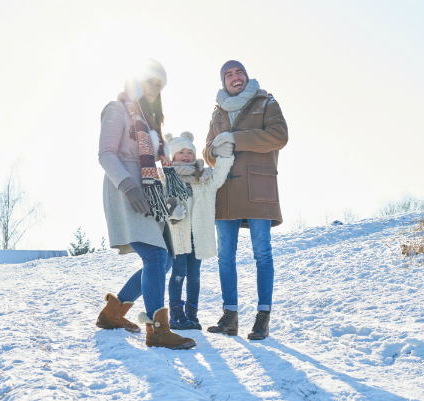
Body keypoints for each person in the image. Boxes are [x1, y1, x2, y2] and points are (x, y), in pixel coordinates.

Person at [96, 59, 195, 350]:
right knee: (155, 256)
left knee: (162, 262)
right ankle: (158, 330)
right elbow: (105, 154)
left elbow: (152, 169)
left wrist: (167, 198)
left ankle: (112, 314)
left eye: (160, 84)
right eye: (152, 80)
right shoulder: (116, 110)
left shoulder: (150, 124)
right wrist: (128, 187)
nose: (155, 87)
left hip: (148, 195)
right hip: (125, 191)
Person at [203, 60, 288, 340]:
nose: (234, 77)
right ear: (223, 82)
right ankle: (230, 317)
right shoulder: (216, 112)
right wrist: (216, 150)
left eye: (238, 72)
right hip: (225, 190)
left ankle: (262, 318)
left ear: (246, 77)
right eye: (228, 75)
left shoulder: (265, 101)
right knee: (225, 256)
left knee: (262, 254)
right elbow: (207, 152)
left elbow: (279, 136)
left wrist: (236, 139)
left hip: (257, 186)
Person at [164, 132, 234, 330]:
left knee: (194, 274)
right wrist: (170, 213)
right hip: (178, 234)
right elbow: (159, 202)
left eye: (189, 152)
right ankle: (176, 314)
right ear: (172, 156)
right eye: (180, 152)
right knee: (178, 272)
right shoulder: (166, 176)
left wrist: (224, 156)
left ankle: (192, 315)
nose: (185, 155)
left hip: (198, 235)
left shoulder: (204, 177)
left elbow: (219, 177)